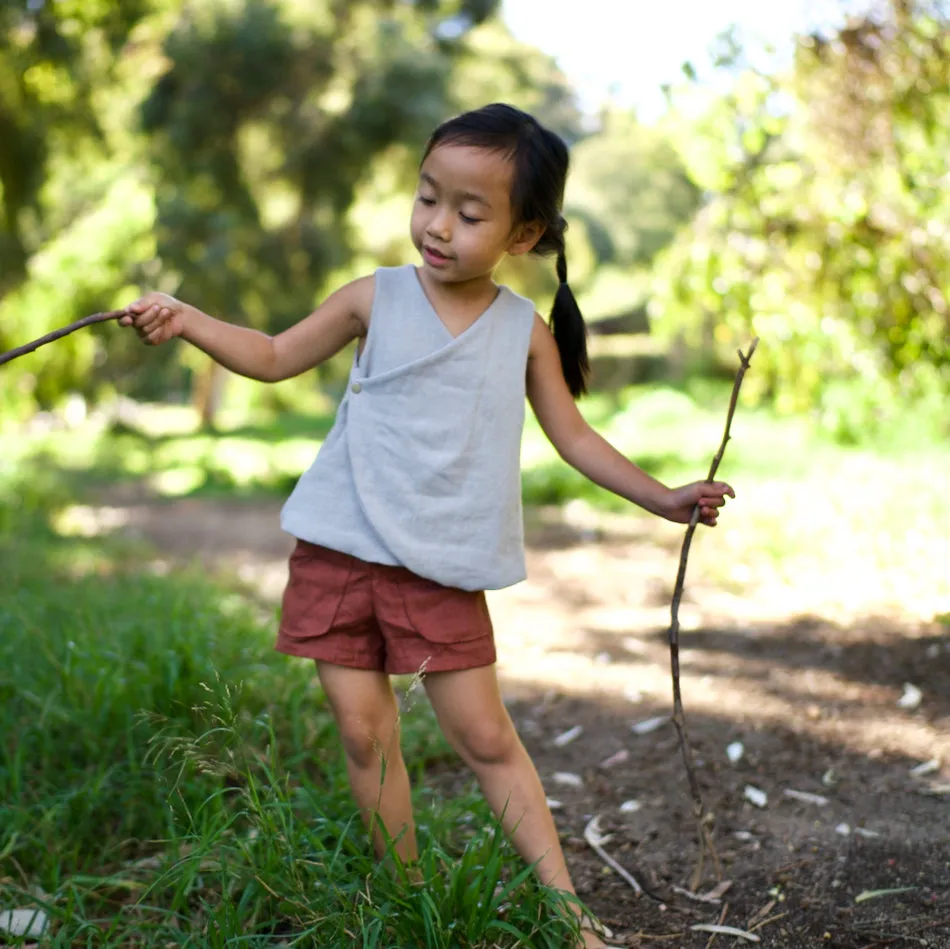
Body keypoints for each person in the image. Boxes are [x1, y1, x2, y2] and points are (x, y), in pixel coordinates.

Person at [121, 102, 734, 948]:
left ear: (524, 234)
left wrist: (664, 496)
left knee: (484, 736)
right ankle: (405, 898)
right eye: (427, 198)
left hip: (439, 568)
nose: (437, 226)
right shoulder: (374, 296)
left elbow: (576, 438)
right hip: (339, 552)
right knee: (364, 732)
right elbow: (269, 354)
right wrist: (186, 317)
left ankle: (566, 906)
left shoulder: (522, 332)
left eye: (469, 212)